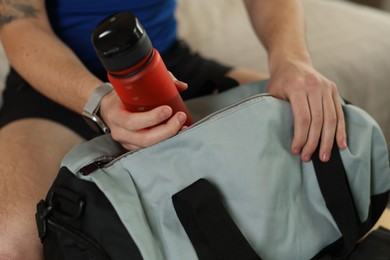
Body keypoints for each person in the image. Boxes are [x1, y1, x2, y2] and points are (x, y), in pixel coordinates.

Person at [0, 0, 347, 259]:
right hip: (55, 87)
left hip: (163, 67)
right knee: (12, 243)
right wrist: (101, 102)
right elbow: (20, 25)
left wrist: (292, 61)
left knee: (322, 122)